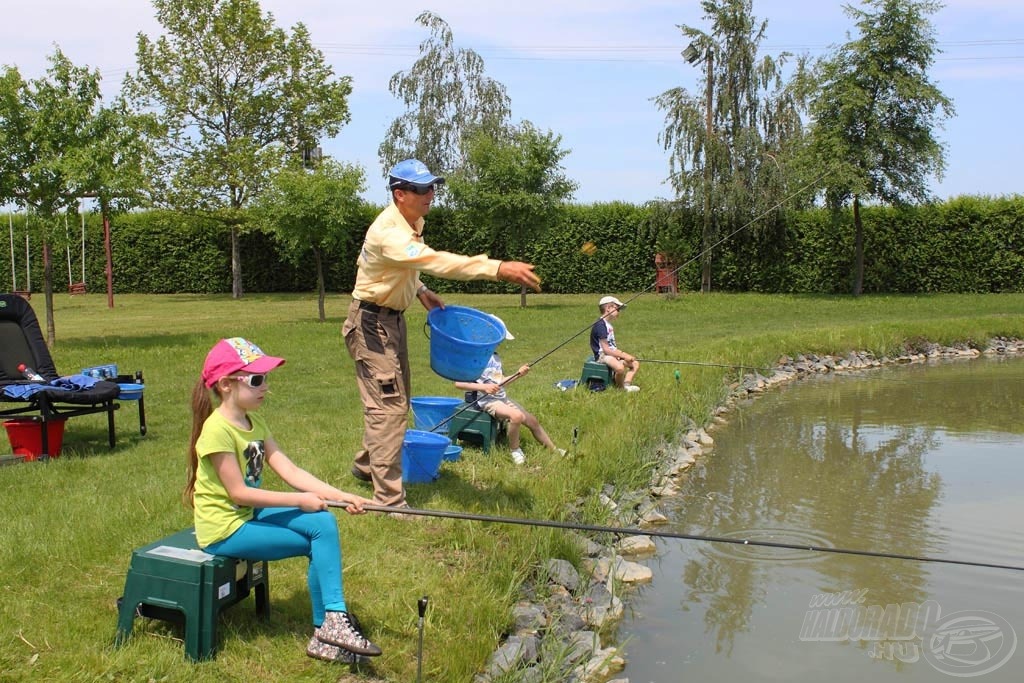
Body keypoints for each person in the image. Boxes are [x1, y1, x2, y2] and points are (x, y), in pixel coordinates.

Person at [342, 159, 541, 507]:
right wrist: (496, 268)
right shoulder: (389, 232)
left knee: (394, 402)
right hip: (371, 325)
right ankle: (389, 501)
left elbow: (405, 267)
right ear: (399, 194)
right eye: (422, 189)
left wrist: (419, 290)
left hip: (392, 320)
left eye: (433, 187)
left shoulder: (412, 220)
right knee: (388, 408)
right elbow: (434, 260)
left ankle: (365, 466)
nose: (430, 194)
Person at [184, 337, 380, 664]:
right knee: (318, 537)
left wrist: (340, 496)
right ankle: (329, 624)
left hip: (250, 517)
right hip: (225, 530)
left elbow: (289, 468)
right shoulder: (216, 431)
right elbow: (239, 493)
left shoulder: (253, 421)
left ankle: (330, 625)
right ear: (226, 385)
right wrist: (299, 500)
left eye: (266, 378)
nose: (265, 387)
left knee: (324, 522)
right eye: (256, 379)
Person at [453, 317, 565, 465]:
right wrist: (484, 387)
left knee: (532, 421)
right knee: (516, 416)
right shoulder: (474, 356)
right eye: (498, 339)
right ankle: (514, 450)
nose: (500, 343)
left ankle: (554, 450)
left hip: (501, 399)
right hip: (484, 400)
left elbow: (501, 381)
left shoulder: (496, 357)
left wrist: (519, 374)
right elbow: (459, 383)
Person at [590, 296, 641, 392]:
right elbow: (606, 349)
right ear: (608, 308)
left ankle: (626, 384)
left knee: (635, 364)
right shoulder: (600, 325)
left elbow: (612, 347)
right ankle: (621, 389)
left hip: (611, 354)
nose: (619, 312)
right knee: (620, 368)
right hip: (602, 355)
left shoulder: (608, 325)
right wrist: (624, 355)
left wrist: (621, 356)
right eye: (617, 309)